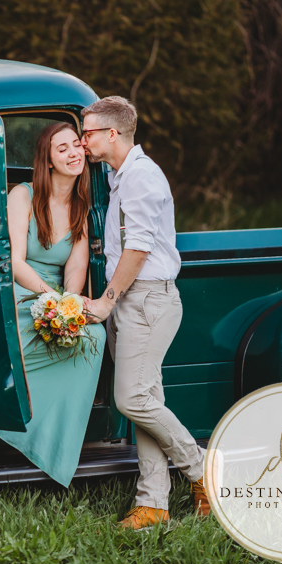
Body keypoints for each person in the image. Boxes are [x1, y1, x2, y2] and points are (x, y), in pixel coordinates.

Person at [79, 96, 210, 530]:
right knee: (146, 401)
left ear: (111, 134)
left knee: (130, 399)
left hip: (148, 300)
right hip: (134, 299)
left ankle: (204, 469)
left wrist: (105, 302)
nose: (83, 140)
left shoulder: (141, 177)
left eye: (88, 132)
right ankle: (153, 503)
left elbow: (137, 248)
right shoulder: (120, 176)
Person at [0, 121, 106, 488]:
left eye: (77, 145)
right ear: (48, 160)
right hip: (22, 288)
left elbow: (76, 264)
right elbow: (15, 262)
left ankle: (54, 444)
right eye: (63, 149)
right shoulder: (22, 196)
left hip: (56, 293)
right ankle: (13, 424)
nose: (74, 153)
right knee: (25, 335)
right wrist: (50, 298)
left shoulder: (82, 206)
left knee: (93, 337)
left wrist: (69, 304)